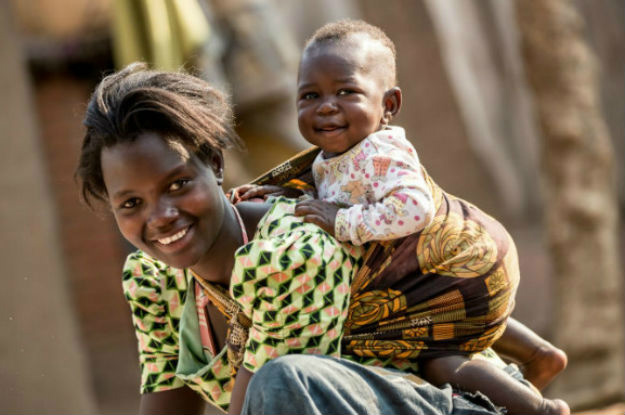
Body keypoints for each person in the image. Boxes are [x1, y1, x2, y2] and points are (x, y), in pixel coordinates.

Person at [76, 62, 519, 415]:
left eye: (177, 185)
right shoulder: (152, 278)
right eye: (131, 204)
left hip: (444, 405)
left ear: (213, 163)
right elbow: (167, 395)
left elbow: (263, 405)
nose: (161, 218)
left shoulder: (289, 253)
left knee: (280, 382)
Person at [235, 19, 569, 414]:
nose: (326, 106)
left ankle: (541, 410)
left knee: (438, 357)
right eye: (310, 95)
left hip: (462, 260)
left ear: (388, 105)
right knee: (434, 315)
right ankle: (539, 354)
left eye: (347, 92)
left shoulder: (383, 153)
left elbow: (414, 209)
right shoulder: (331, 157)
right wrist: (281, 195)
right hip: (439, 275)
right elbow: (333, 196)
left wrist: (342, 222)